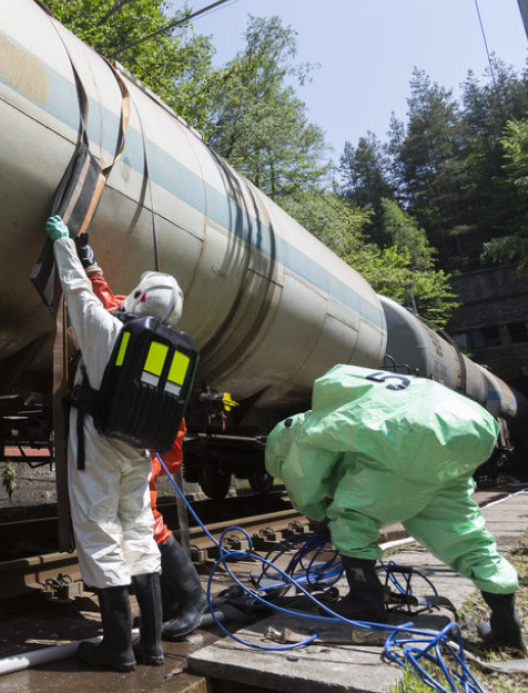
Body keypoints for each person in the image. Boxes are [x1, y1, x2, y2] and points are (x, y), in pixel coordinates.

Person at [266, 363, 525, 653]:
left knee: (351, 515)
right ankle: (507, 627)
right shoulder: (351, 400)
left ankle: (365, 602)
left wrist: (317, 513)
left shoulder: (301, 431)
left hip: (411, 431)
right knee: (461, 531)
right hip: (472, 425)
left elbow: (304, 477)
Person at [46, 215, 183, 672]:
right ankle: (154, 647)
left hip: (98, 448)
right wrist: (93, 261)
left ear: (138, 299)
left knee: (101, 533)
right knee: (139, 535)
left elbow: (78, 293)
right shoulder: (168, 351)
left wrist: (64, 244)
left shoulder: (108, 332)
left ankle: (118, 648)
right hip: (140, 453)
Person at [75, 232, 207, 641]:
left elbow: (104, 301)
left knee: (146, 524)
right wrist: (91, 263)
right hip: (138, 449)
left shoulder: (140, 338)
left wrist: (154, 465)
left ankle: (192, 599)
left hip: (137, 450)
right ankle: (171, 602)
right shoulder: (135, 326)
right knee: (140, 524)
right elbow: (105, 296)